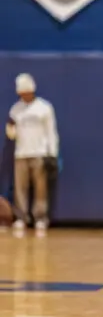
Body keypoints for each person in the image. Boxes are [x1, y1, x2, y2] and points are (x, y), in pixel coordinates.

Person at [6, 73, 59, 235]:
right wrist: (10, 127)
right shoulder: (16, 109)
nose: (24, 94)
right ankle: (21, 217)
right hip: (21, 154)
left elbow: (51, 131)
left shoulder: (44, 108)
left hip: (39, 153)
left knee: (40, 188)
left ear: (32, 90)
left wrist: (52, 153)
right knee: (20, 188)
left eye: (26, 91)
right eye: (21, 92)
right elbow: (11, 135)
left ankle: (40, 218)